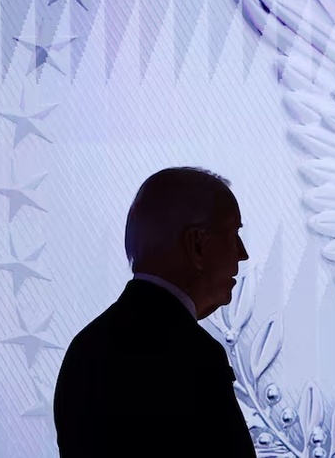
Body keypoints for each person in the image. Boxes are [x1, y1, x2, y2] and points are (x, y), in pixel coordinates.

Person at [53, 166, 256, 457]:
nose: (242, 253)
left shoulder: (85, 348)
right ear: (197, 245)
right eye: (233, 234)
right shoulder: (194, 356)